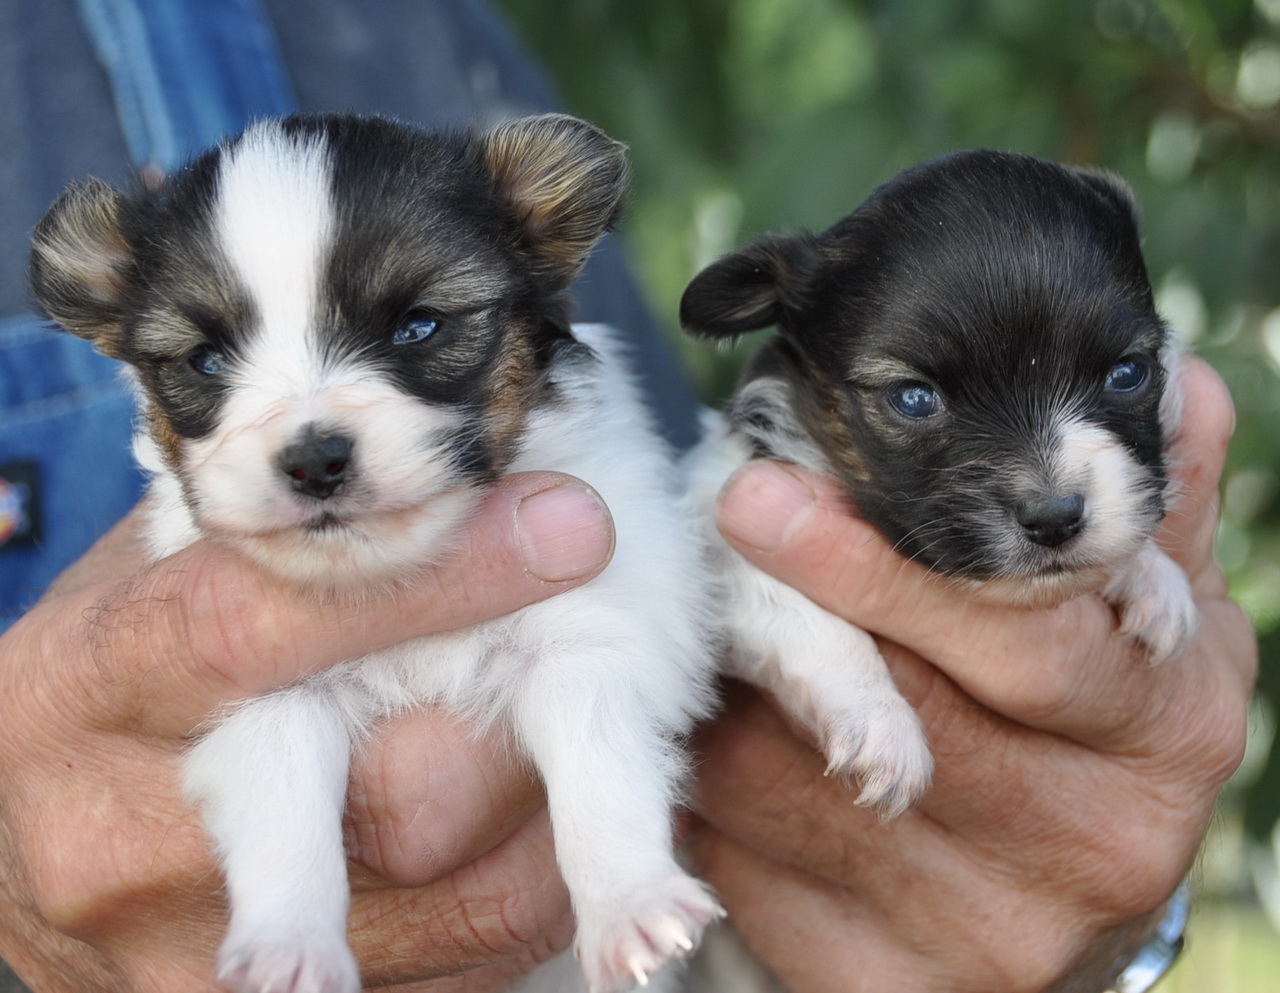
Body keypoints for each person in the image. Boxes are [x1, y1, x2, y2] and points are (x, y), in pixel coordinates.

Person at [0, 1, 1255, 991]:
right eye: (206, 365)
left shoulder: (433, 55)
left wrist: (1111, 945)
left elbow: (655, 592)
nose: (314, 437)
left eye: (427, 327)